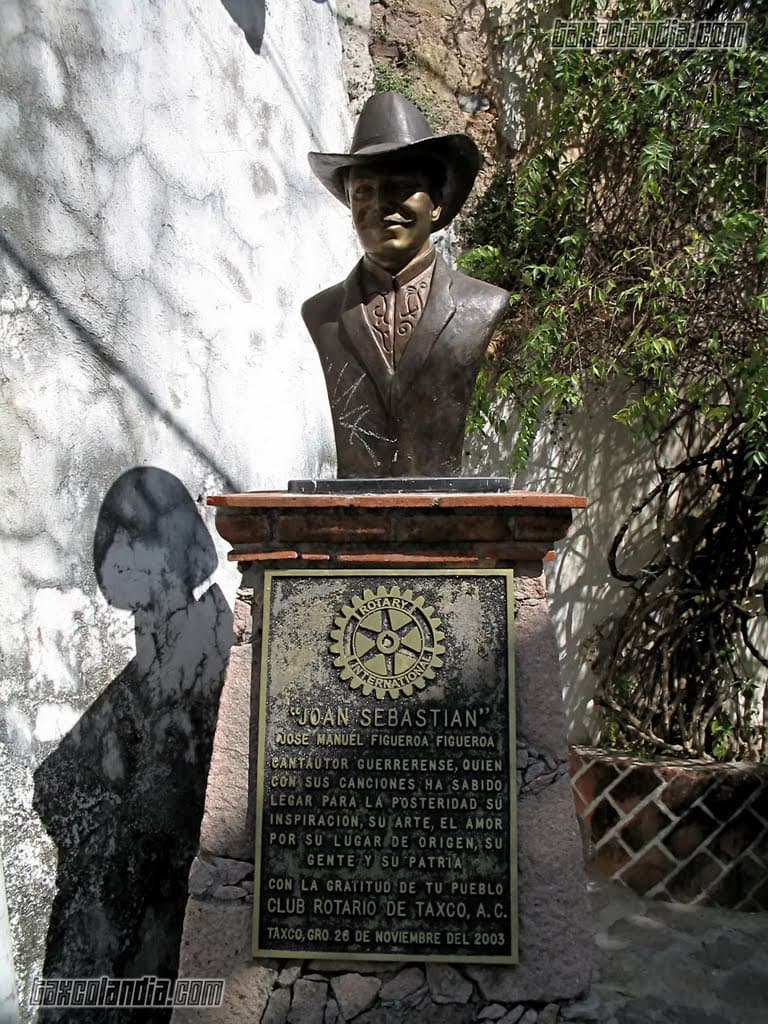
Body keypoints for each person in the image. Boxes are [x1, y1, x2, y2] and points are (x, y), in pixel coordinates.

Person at [302, 91, 509, 478]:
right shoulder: (322, 313)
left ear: (435, 204)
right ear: (350, 206)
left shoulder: (480, 304)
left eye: (401, 188)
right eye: (364, 191)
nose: (382, 204)